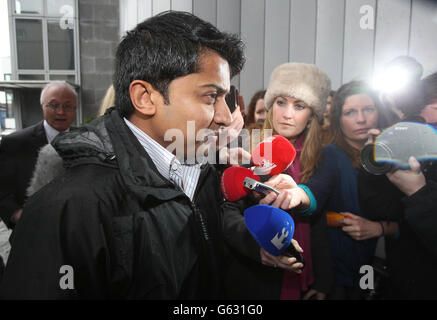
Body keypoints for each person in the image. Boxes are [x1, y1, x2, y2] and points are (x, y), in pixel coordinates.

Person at [0, 11, 245, 299]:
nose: (226, 117)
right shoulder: (68, 208)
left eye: (226, 99)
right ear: (145, 97)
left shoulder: (202, 176)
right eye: (210, 97)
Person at [223, 62, 333, 300]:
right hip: (254, 275)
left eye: (299, 105)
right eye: (281, 102)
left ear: (312, 114)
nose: (287, 113)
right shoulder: (245, 150)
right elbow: (227, 214)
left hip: (304, 272)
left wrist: (324, 282)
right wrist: (256, 246)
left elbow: (319, 214)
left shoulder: (325, 156)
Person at [300, 80, 391, 300]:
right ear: (338, 120)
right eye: (350, 112)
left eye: (368, 109)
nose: (361, 119)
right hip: (337, 266)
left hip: (374, 263)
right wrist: (298, 196)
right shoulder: (332, 155)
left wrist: (379, 228)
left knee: (365, 292)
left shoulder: (391, 153)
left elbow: (411, 213)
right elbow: (314, 201)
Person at [358, 71, 437, 299]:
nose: (423, 115)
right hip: (401, 281)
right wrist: (378, 165)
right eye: (421, 106)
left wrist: (418, 193)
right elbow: (381, 210)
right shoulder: (423, 151)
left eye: (431, 105)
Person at [0, 81, 77, 229]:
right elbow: (3, 191)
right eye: (54, 105)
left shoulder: (88, 139)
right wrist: (17, 215)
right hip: (31, 230)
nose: (61, 112)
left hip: (74, 231)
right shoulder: (15, 143)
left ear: (75, 108)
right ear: (42, 106)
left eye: (67, 106)